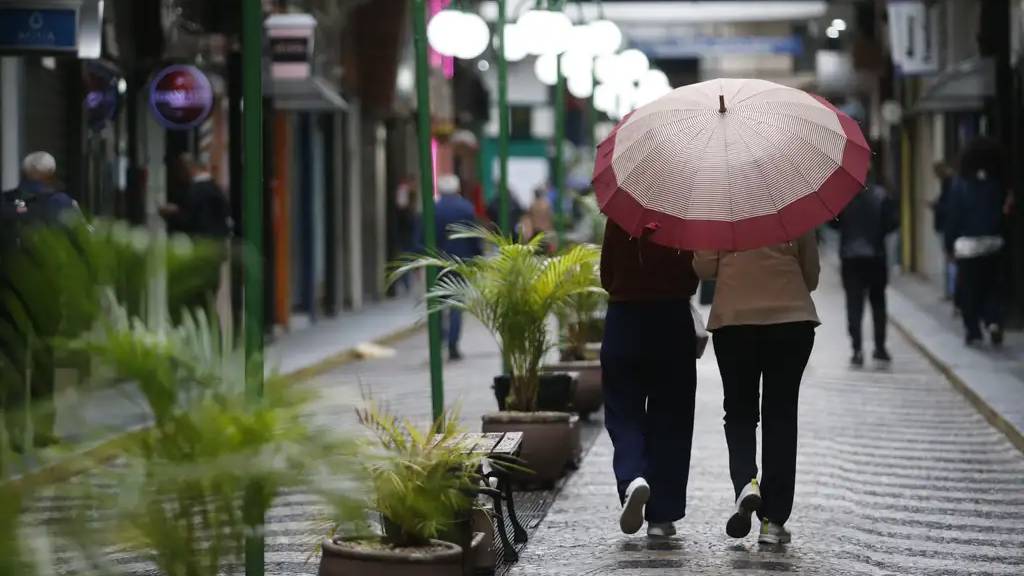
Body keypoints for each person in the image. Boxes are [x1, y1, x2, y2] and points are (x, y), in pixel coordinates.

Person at [694, 232, 820, 545]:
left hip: (734, 321)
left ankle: (746, 483)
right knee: (780, 415)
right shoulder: (790, 198)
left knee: (739, 411)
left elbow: (704, 267)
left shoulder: (719, 203)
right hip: (791, 321)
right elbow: (812, 276)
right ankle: (773, 522)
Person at [600, 221, 698, 539]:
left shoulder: (620, 216)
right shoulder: (684, 216)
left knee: (622, 407)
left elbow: (606, 275)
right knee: (672, 415)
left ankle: (632, 478)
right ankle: (662, 516)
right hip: (672, 321)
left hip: (624, 318)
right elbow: (691, 277)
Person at [0, 152, 83, 451]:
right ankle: (42, 430)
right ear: (50, 174)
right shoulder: (62, 204)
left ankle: (15, 433)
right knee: (44, 361)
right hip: (47, 295)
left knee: (12, 364)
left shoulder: (5, 203)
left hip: (8, 295)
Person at [944, 138, 1007, 347]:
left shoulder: (960, 184)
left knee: (969, 289)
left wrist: (949, 243)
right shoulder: (996, 183)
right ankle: (993, 320)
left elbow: (953, 216)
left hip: (968, 246)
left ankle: (973, 331)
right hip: (993, 242)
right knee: (992, 286)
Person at [833, 180, 899, 366]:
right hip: (876, 257)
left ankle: (857, 350)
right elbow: (893, 223)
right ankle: (880, 347)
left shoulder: (843, 197)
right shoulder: (882, 195)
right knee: (878, 304)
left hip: (851, 258)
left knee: (854, 305)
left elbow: (832, 223)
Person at [159, 154, 232, 315]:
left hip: (201, 251)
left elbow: (192, 222)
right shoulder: (216, 188)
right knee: (210, 296)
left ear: (189, 169)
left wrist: (173, 213)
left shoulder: (196, 191)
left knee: (198, 299)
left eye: (180, 171)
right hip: (216, 251)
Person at [435, 174, 482, 361]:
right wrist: (477, 258)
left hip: (437, 262)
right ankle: (453, 344)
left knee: (438, 303)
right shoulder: (466, 208)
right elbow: (474, 236)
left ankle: (439, 338)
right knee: (456, 305)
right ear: (457, 189)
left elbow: (422, 236)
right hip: (461, 262)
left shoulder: (433, 209)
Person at [932, 161, 957, 302]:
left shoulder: (950, 185)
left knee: (950, 261)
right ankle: (950, 291)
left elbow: (947, 207)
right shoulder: (949, 185)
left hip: (947, 227)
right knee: (949, 261)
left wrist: (937, 206)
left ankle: (952, 292)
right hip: (946, 227)